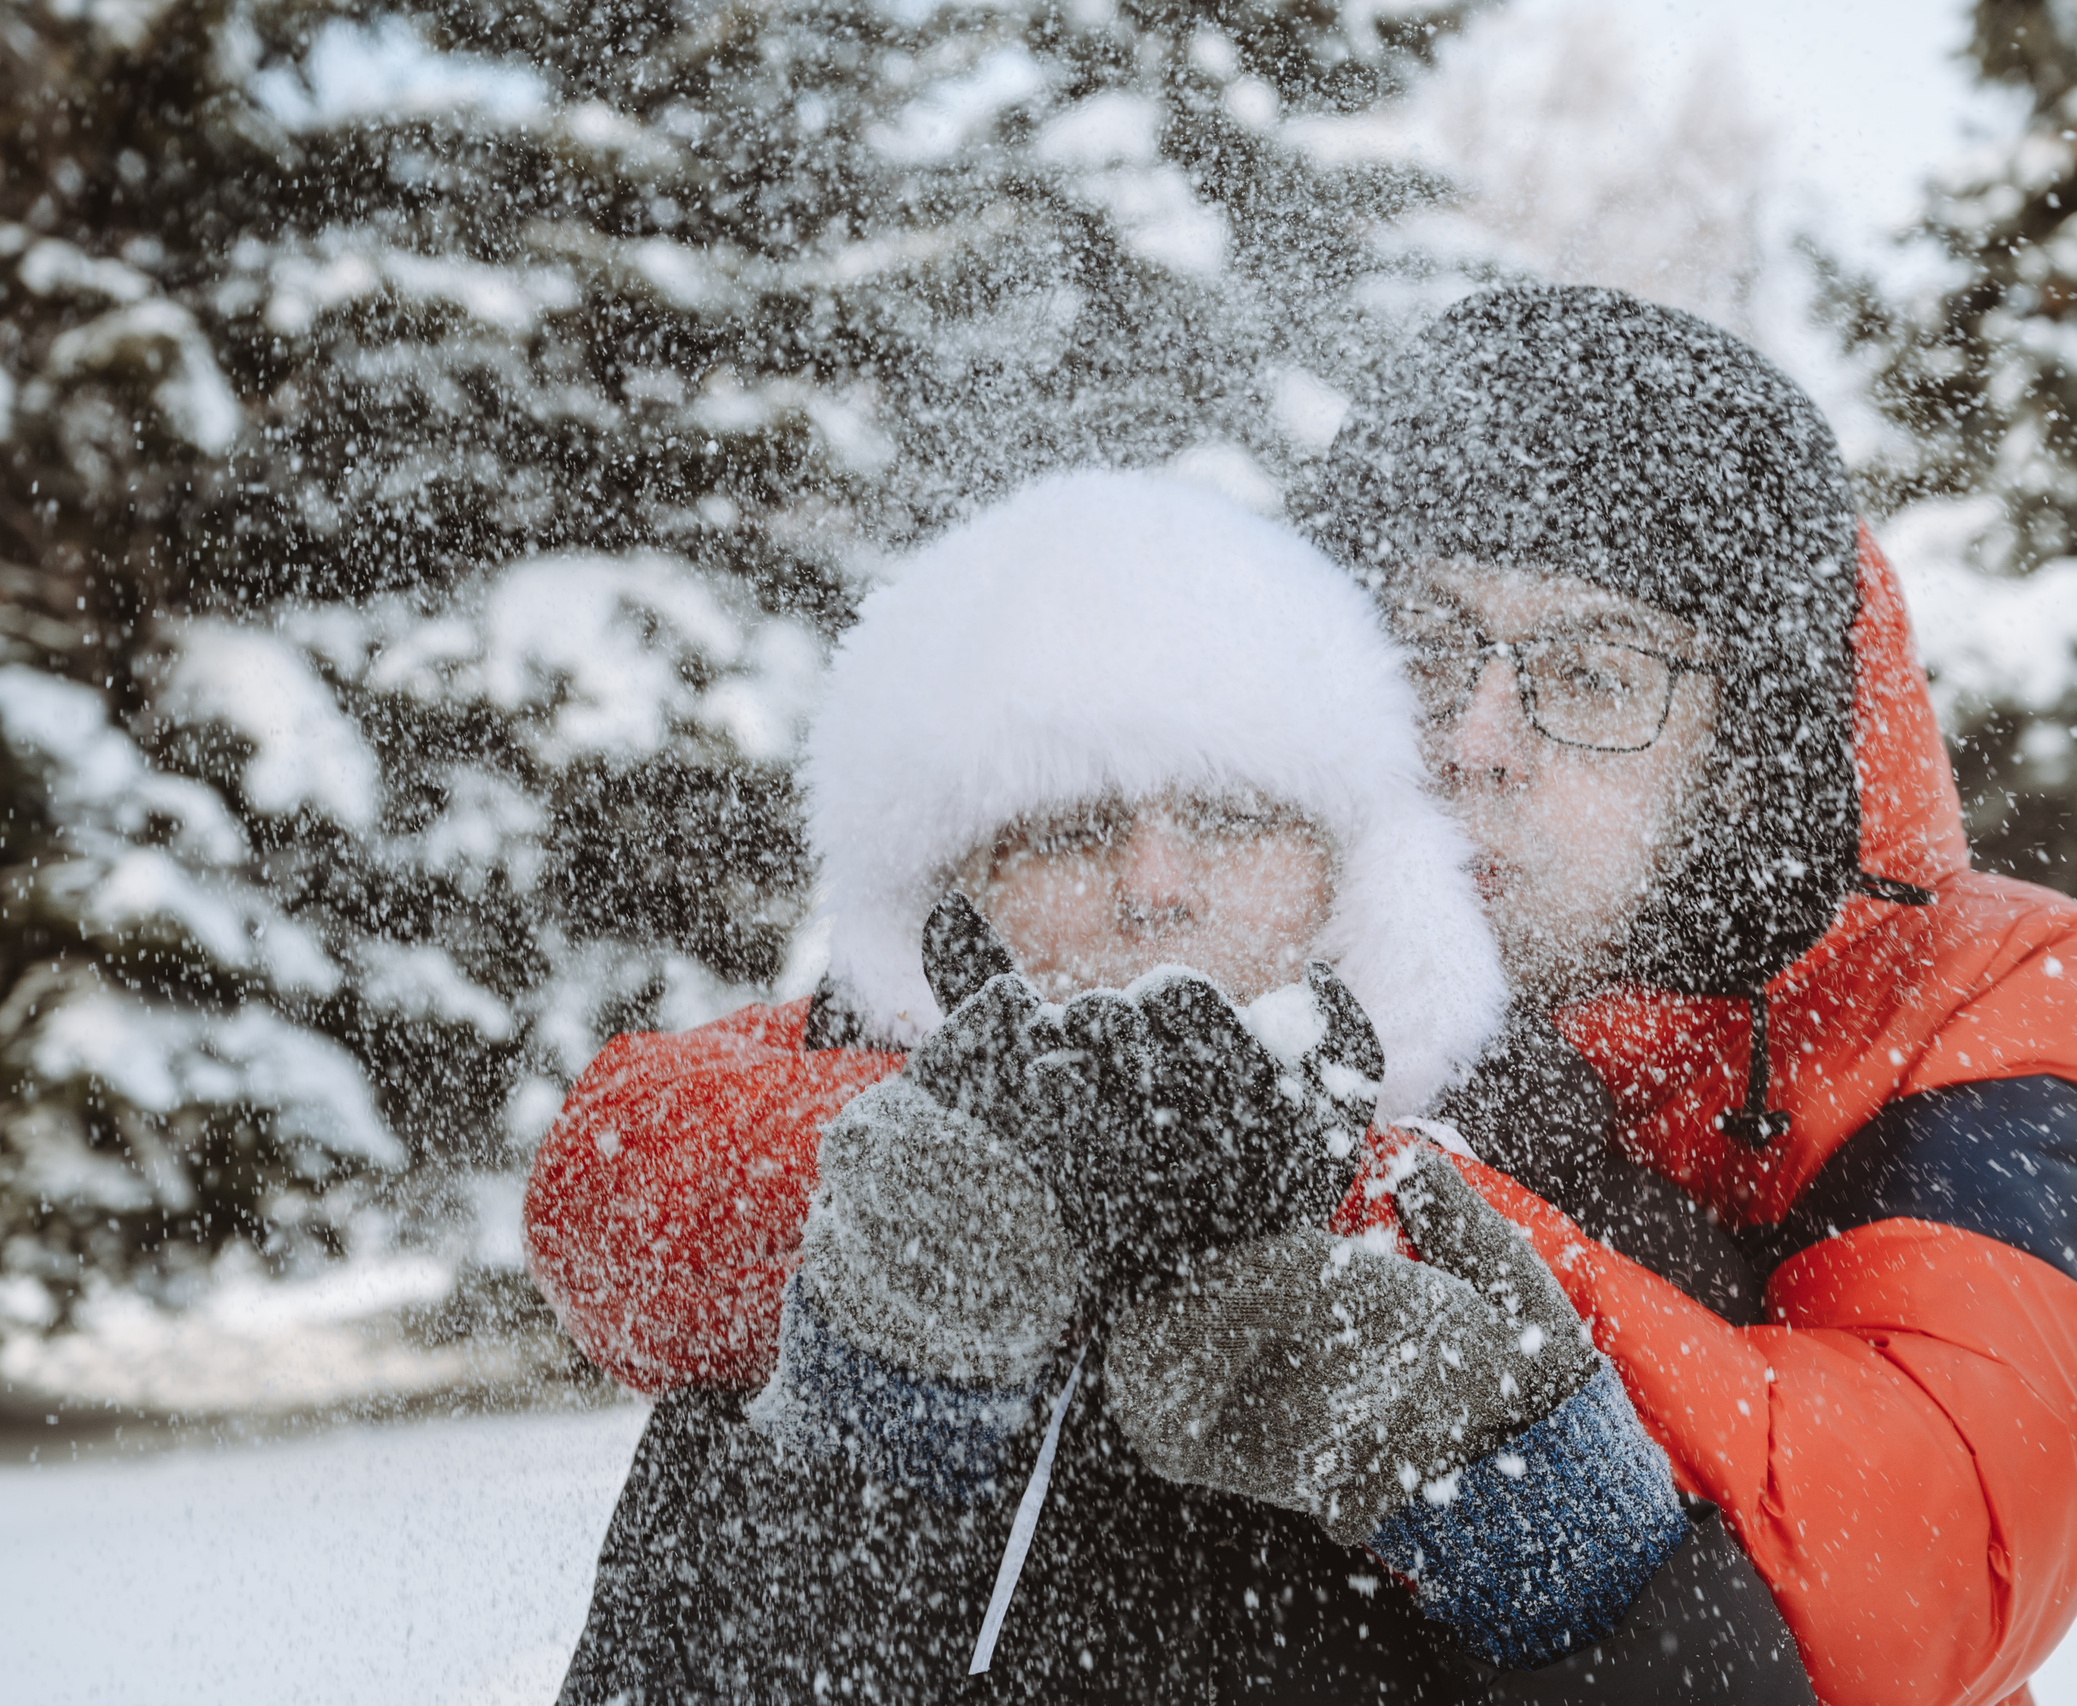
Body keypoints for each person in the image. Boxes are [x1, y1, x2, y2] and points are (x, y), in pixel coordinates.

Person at [533, 286, 2077, 1706]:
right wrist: (976, 1160)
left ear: (1749, 752)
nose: (1476, 740)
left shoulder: (1955, 1000)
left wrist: (1343, 1201)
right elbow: (640, 1170)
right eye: (1431, 645)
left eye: (1591, 677)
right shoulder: (1203, 905)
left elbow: (1924, 1561)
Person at [532, 470, 1802, 1703]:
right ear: (942, 888)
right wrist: (885, 1442)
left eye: (1232, 813)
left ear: (1348, 864)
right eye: (1071, 827)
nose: (1154, 885)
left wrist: (1562, 1549)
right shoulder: (839, 1239)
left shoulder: (1549, 1203)